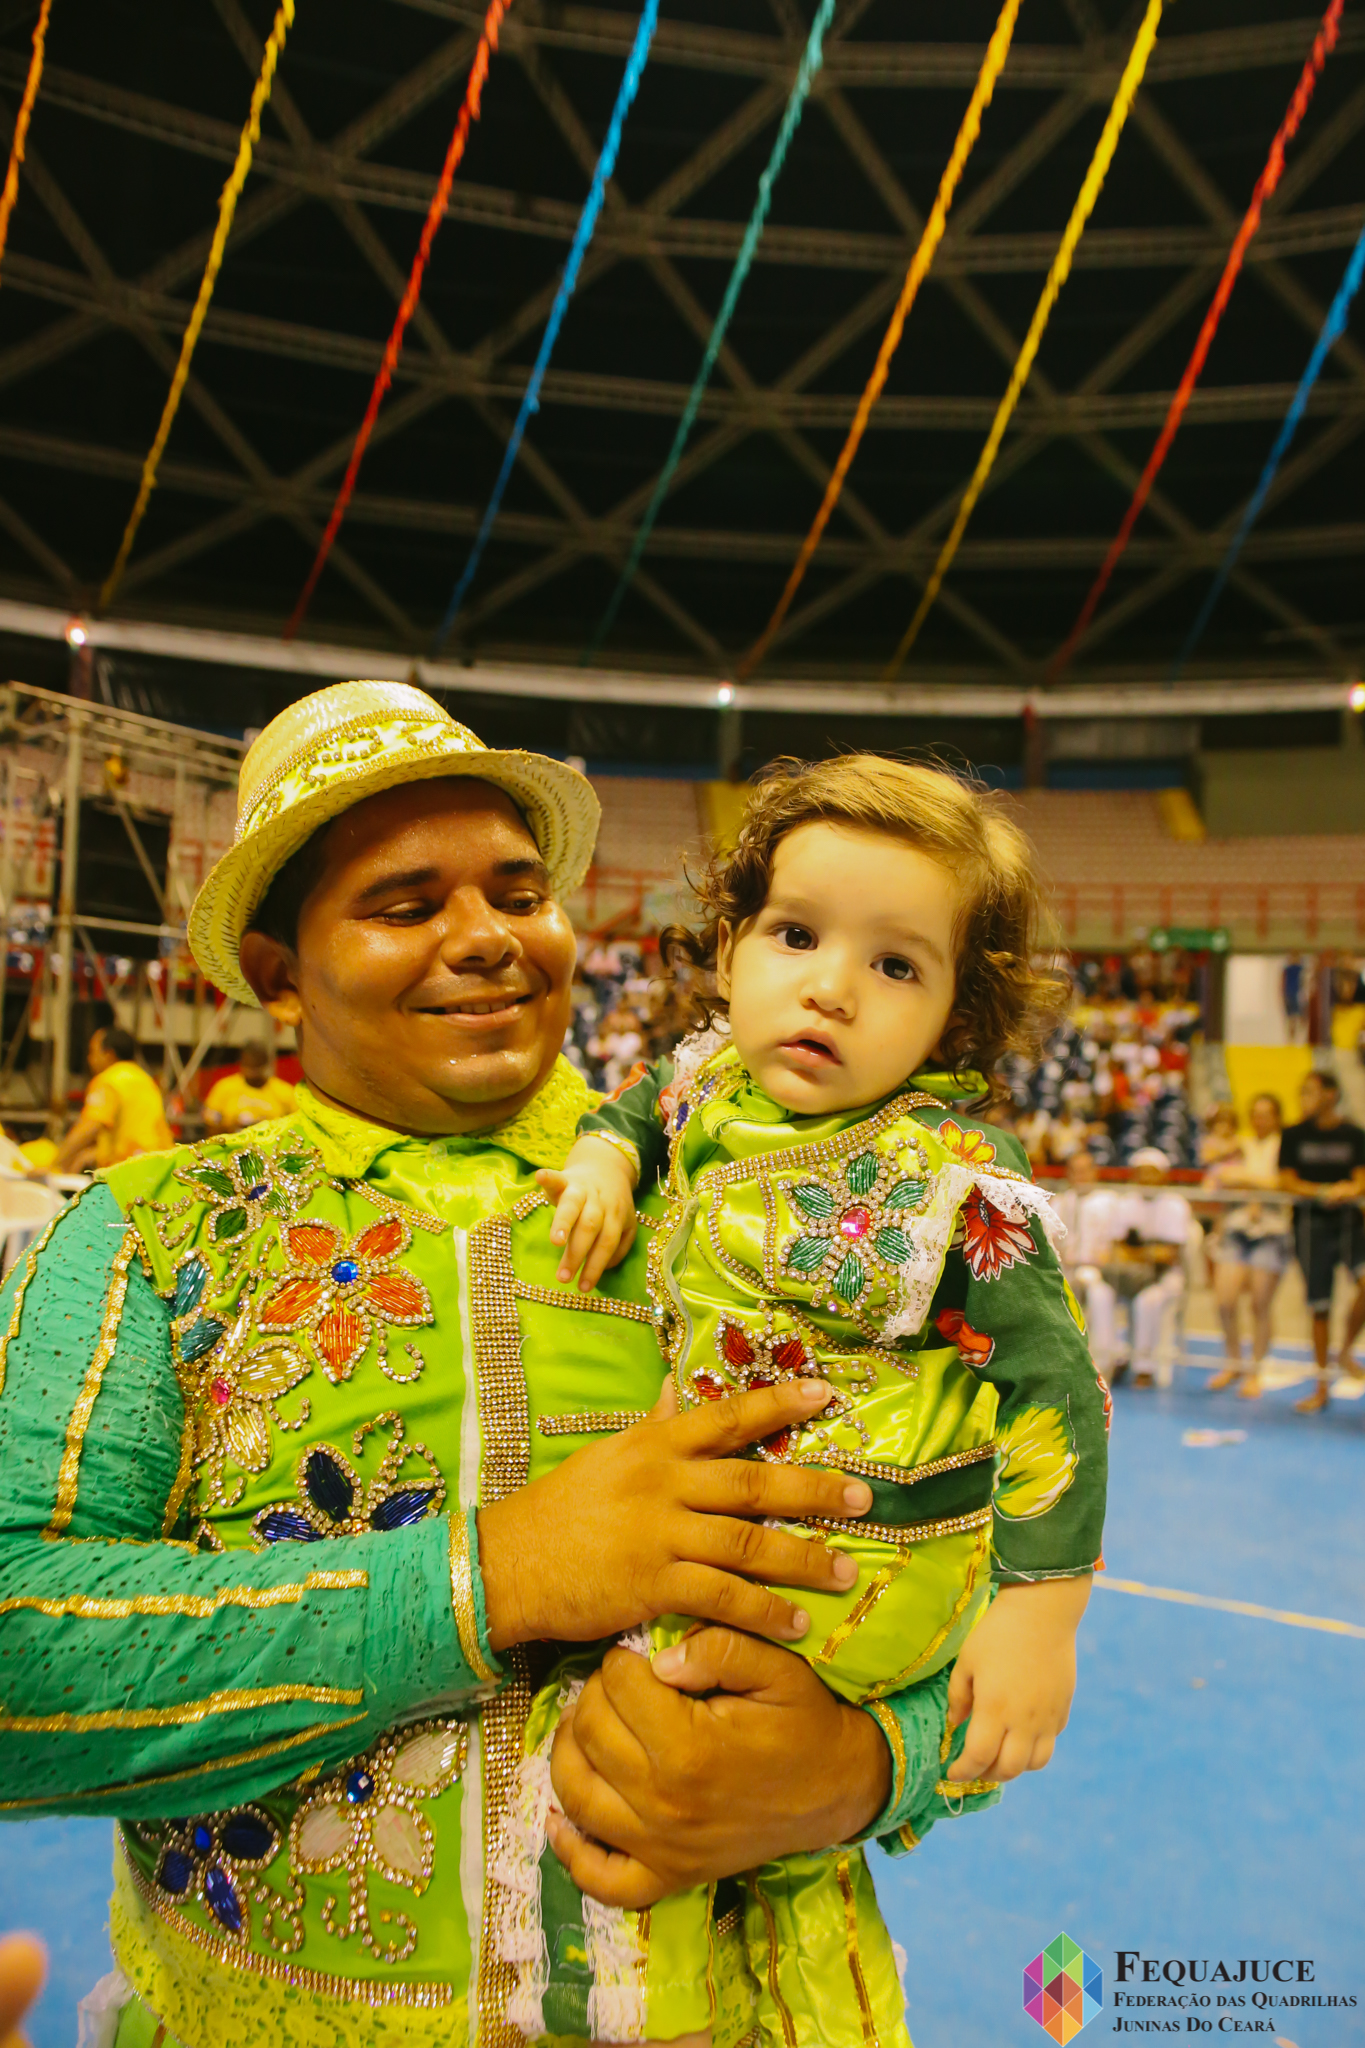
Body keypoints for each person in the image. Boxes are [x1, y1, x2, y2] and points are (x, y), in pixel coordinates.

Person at [0, 683, 999, 2048]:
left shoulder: (779, 1196)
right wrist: (496, 1575)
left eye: (521, 894)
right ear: (280, 969)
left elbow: (983, 1592)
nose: (487, 937)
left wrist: (862, 1771)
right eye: (405, 904)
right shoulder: (153, 1234)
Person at [537, 756, 1107, 2046]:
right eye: (796, 935)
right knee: (728, 1834)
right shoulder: (706, 1083)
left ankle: (669, 2009)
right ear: (729, 948)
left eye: (896, 964)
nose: (831, 986)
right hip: (736, 1540)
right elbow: (638, 1106)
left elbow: (1057, 1387)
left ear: (954, 1020)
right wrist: (604, 1157)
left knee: (645, 1776)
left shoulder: (954, 1178)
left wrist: (1043, 1609)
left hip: (863, 1563)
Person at [1278, 1069, 1365, 1414]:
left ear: (1330, 1094)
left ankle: (1344, 1350)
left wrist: (1349, 1190)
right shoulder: (1294, 1134)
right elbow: (1286, 1180)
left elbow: (1361, 1178)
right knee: (1320, 1306)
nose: (1303, 1098)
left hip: (1350, 1224)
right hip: (1310, 1227)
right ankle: (1321, 1386)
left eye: (1310, 1092)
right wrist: (1322, 1192)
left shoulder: (1354, 1134)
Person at [1080, 1148, 1196, 1389]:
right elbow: (1116, 1248)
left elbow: (1169, 1254)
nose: (1145, 1179)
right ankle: (1106, 1360)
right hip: (1128, 1273)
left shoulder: (1176, 1205)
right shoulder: (1125, 1203)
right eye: (1141, 1173)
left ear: (1163, 1176)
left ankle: (1144, 1367)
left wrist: (1136, 1252)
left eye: (1151, 1173)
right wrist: (1148, 1252)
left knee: (1148, 1301)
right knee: (1099, 1293)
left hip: (1165, 1276)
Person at [1205, 1094, 1291, 1399]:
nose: (1259, 1119)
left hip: (1271, 1231)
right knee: (1225, 1300)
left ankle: (1255, 1370)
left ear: (1277, 1118)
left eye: (1266, 1114)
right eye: (1255, 1113)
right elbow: (1221, 1175)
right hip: (1236, 1228)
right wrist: (1258, 1181)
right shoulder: (1241, 1144)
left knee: (1259, 1303)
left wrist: (1247, 1180)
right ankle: (1234, 1362)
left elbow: (1282, 1183)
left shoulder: (1285, 1145)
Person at [49, 1024, 172, 1172]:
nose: (89, 1059)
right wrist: (89, 1155)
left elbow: (89, 1127)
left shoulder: (110, 1080)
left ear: (109, 1054)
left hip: (130, 1171)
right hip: (159, 1165)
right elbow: (139, 1134)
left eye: (93, 1052)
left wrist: (54, 1164)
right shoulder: (145, 1079)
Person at [202, 1040, 296, 1133]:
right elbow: (210, 1126)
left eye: (257, 1065)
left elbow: (296, 1126)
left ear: (265, 1063)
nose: (252, 1071)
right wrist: (231, 1128)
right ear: (242, 1062)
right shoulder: (224, 1087)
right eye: (248, 1065)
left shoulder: (285, 1091)